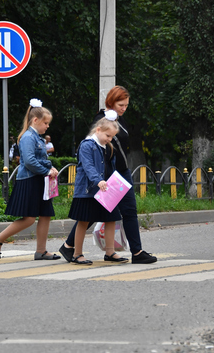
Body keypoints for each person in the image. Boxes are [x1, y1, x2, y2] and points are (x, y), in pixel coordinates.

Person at [59, 85, 157, 264]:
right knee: (89, 214)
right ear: (111, 102)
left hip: (120, 173)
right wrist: (99, 178)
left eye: (126, 105)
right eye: (121, 104)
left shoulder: (121, 120)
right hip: (106, 176)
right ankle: (70, 247)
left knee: (125, 211)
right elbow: (95, 155)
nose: (124, 108)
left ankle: (135, 252)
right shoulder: (101, 121)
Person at [0, 99, 60, 261]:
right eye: (45, 123)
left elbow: (39, 159)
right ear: (35, 120)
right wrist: (46, 171)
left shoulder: (37, 137)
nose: (47, 126)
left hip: (39, 180)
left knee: (45, 215)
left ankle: (41, 251)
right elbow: (28, 161)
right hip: (29, 180)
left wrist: (51, 167)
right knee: (28, 218)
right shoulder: (28, 137)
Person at [67, 111, 128, 264]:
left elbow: (110, 167)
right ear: (98, 130)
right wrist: (98, 180)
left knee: (111, 219)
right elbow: (88, 166)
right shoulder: (87, 145)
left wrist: (114, 183)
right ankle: (77, 254)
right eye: (108, 136)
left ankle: (110, 252)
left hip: (105, 190)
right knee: (83, 221)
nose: (110, 139)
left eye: (112, 137)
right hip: (88, 191)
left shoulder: (107, 146)